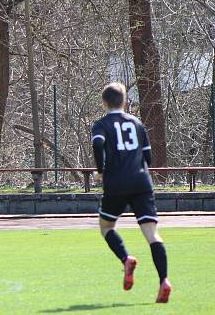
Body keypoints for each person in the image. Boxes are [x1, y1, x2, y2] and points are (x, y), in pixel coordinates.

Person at [91, 82, 171, 303]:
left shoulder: (101, 124)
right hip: (141, 182)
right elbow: (148, 158)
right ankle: (164, 280)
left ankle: (126, 259)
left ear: (104, 102)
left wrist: (100, 171)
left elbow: (98, 144)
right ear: (124, 101)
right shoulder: (137, 124)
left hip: (116, 182)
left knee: (106, 227)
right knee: (152, 234)